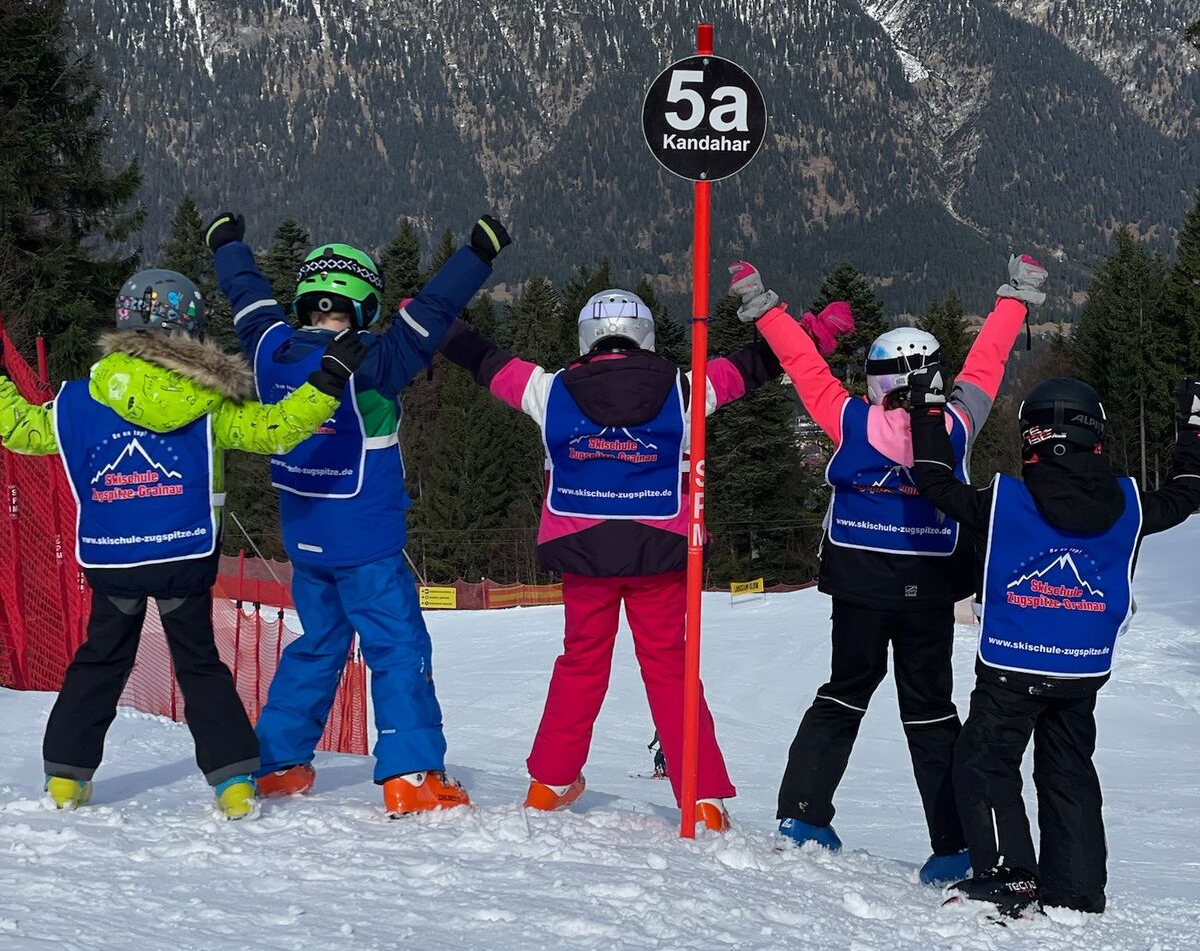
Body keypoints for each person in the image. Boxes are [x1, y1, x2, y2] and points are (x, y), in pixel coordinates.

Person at [436, 287, 854, 831]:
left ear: (587, 337)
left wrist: (433, 321)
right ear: (646, 337)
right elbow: (755, 366)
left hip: (585, 552)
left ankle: (551, 782)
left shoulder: (548, 389)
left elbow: (484, 360)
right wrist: (814, 333)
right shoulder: (686, 388)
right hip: (660, 552)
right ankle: (701, 797)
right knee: (671, 668)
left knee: (581, 663)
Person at [728, 254, 1047, 884]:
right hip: (929, 590)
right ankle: (954, 844)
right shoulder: (956, 425)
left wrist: (763, 307)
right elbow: (986, 363)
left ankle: (802, 814)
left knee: (843, 692)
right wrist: (1017, 298)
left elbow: (804, 365)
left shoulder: (850, 420)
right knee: (930, 710)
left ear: (875, 382)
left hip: (858, 586)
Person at [0, 268, 365, 818]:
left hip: (112, 555)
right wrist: (328, 382)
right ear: (191, 331)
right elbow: (275, 430)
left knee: (101, 659)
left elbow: (21, 429)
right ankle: (233, 781)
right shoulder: (210, 401)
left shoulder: (78, 400)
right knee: (198, 664)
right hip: (184, 554)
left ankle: (66, 777)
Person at [207, 211, 510, 816]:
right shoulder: (378, 360)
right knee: (396, 646)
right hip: (367, 541)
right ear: (366, 305)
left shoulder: (269, 349)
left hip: (305, 538)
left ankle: (278, 761)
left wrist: (227, 245)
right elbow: (433, 310)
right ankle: (410, 772)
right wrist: (478, 252)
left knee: (319, 644)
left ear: (306, 297)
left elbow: (249, 300)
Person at [907, 369, 1200, 917]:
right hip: (1082, 669)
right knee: (1069, 770)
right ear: (1097, 435)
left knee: (985, 762)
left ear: (1031, 436)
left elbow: (934, 481)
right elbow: (1186, 492)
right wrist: (1193, 432)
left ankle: (1008, 873)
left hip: (1012, 665)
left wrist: (926, 413)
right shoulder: (1130, 504)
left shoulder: (1004, 501)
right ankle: (1077, 889)